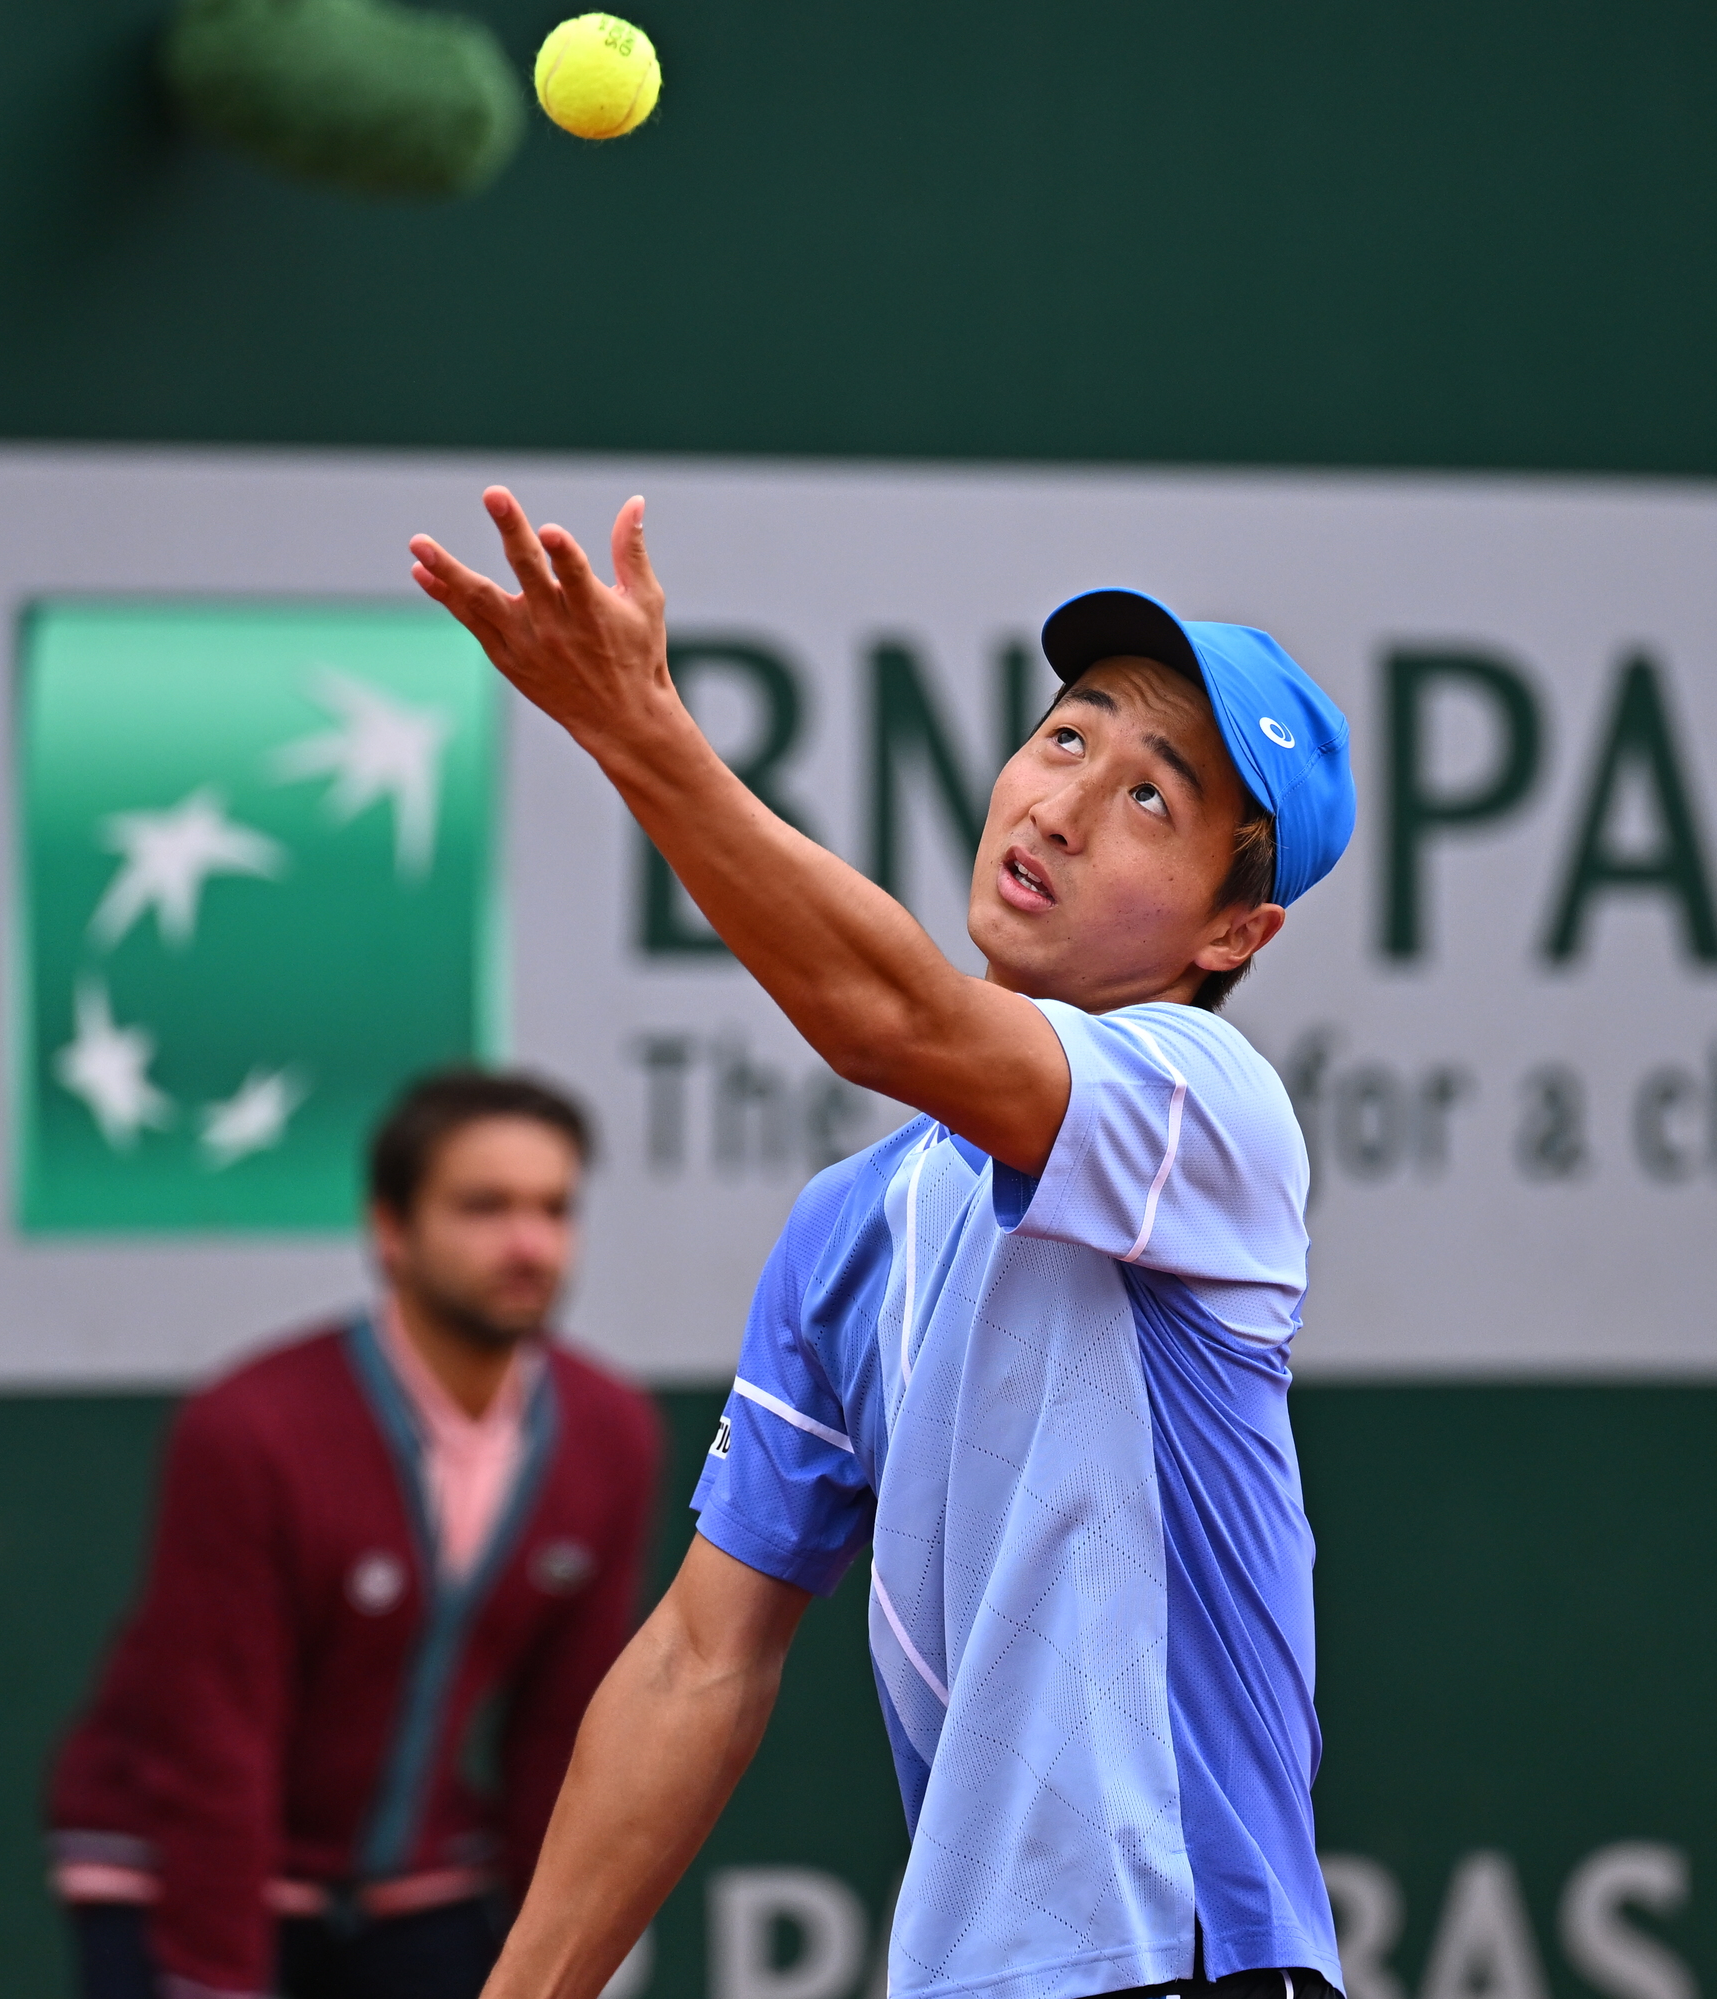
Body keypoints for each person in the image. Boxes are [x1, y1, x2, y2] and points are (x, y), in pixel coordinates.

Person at [406, 490, 1357, 1999]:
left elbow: (891, 1016)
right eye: (1065, 738)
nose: (1059, 804)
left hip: (1191, 1961)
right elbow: (699, 1659)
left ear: (1231, 934)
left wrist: (642, 733)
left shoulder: (1211, 1102)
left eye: (1152, 799)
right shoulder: (849, 1228)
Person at [45, 1070, 663, 1999]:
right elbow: (216, 1732)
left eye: (554, 1208)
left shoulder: (611, 1430)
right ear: (390, 1229)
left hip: (418, 1882)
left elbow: (564, 1729)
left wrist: (576, 1949)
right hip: (179, 1868)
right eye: (484, 1208)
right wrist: (215, 1980)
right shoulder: (249, 1429)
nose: (529, 1243)